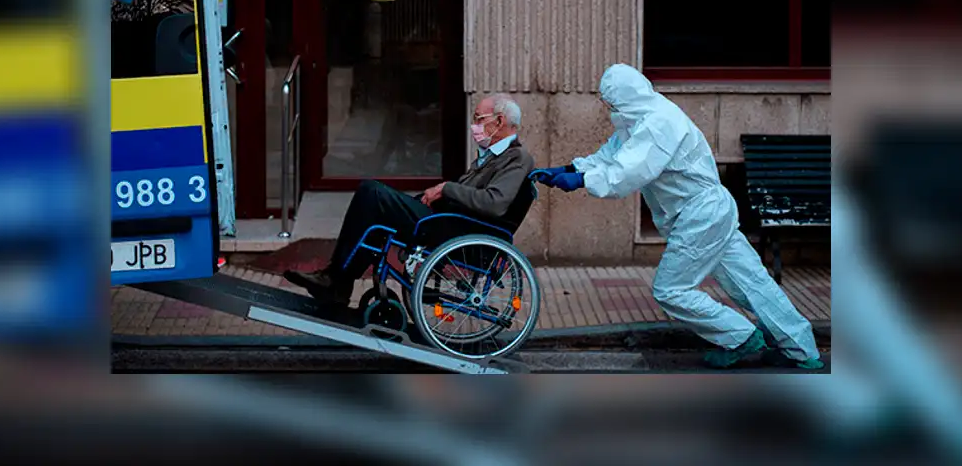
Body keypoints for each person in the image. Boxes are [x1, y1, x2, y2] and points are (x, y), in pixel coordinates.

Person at [531, 63, 823, 369]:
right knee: (752, 283)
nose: (606, 108)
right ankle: (803, 351)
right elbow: (611, 155)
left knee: (670, 289)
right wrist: (569, 169)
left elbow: (627, 171)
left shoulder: (660, 123)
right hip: (709, 212)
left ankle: (740, 336)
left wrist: (582, 180)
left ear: (625, 100)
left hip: (702, 215)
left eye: (609, 103)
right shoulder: (638, 118)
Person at [285, 93, 535, 306]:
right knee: (375, 211)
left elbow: (494, 202)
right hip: (448, 221)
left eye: (479, 119)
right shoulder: (491, 156)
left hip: (457, 229)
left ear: (500, 121)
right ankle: (338, 279)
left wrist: (447, 189)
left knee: (371, 192)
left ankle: (337, 281)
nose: (474, 126)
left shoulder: (516, 158)